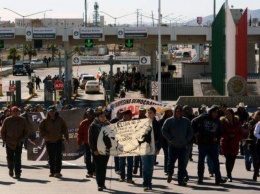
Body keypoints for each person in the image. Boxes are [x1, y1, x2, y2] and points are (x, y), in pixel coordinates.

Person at [192, 105, 227, 185]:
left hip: (213, 144)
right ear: (210, 112)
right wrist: (195, 133)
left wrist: (217, 138)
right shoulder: (203, 117)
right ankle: (200, 178)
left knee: (215, 161)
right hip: (203, 143)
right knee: (201, 162)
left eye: (216, 112)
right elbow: (193, 122)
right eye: (214, 112)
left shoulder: (218, 121)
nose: (215, 114)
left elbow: (220, 132)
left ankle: (218, 178)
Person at [162, 105, 193, 186]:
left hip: (183, 146)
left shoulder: (186, 121)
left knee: (182, 165)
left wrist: (187, 140)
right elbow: (164, 130)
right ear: (174, 112)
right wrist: (170, 138)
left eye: (180, 111)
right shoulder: (169, 120)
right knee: (171, 163)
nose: (178, 113)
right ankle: (170, 174)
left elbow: (190, 132)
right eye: (177, 111)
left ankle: (180, 180)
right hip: (172, 146)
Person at [39, 105, 69, 178]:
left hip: (58, 140)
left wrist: (66, 137)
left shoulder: (60, 119)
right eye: (50, 112)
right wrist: (44, 136)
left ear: (56, 112)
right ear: (48, 112)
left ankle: (58, 172)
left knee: (58, 156)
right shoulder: (44, 120)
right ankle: (52, 172)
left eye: (53, 111)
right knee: (51, 157)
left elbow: (64, 128)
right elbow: (40, 129)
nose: (52, 113)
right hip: (49, 141)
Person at [1, 106, 28, 178]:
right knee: (10, 157)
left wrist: (23, 139)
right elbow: (3, 131)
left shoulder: (23, 120)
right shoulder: (7, 120)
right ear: (11, 112)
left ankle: (17, 172)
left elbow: (26, 131)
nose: (15, 113)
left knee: (18, 158)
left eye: (17, 111)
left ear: (19, 112)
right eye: (14, 111)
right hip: (9, 142)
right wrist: (4, 139)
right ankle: (10, 169)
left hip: (19, 142)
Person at [89, 109, 110, 191]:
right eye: (101, 116)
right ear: (97, 117)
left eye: (104, 116)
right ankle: (100, 184)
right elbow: (91, 139)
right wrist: (94, 149)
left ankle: (103, 183)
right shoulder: (93, 126)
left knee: (104, 167)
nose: (103, 117)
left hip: (106, 149)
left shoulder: (108, 124)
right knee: (98, 167)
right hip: (97, 150)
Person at [220, 109, 243, 182]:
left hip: (235, 143)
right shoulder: (223, 122)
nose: (227, 115)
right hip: (226, 143)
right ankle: (229, 175)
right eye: (226, 114)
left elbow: (241, 133)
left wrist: (235, 138)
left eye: (229, 114)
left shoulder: (237, 122)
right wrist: (228, 136)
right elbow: (221, 132)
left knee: (233, 158)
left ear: (232, 114)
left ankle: (230, 172)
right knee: (228, 158)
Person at [142, 107, 161, 191]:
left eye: (151, 113)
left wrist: (158, 148)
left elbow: (160, 137)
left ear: (154, 114)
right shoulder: (143, 123)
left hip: (153, 147)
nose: (149, 114)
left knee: (150, 167)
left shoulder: (157, 124)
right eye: (148, 113)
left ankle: (149, 182)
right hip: (144, 147)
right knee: (145, 166)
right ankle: (145, 183)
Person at [77, 108, 95, 178]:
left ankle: (94, 171)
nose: (89, 116)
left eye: (90, 114)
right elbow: (79, 133)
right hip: (86, 143)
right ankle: (89, 172)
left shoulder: (96, 122)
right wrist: (79, 142)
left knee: (95, 158)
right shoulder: (83, 123)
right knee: (87, 158)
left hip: (95, 144)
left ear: (93, 115)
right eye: (88, 115)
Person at [119, 109, 135, 184]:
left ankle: (129, 178)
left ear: (130, 115)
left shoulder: (134, 123)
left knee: (130, 163)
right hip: (122, 146)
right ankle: (122, 177)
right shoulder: (120, 123)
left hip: (131, 146)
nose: (124, 116)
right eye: (124, 115)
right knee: (122, 162)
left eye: (126, 115)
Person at [244, 111, 260, 181]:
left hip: (256, 142)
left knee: (256, 158)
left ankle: (256, 172)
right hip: (253, 142)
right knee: (255, 158)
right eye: (257, 116)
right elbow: (253, 131)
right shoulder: (252, 122)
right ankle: (255, 173)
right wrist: (257, 124)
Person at [133, 105, 147, 177]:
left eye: (143, 111)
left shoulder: (148, 120)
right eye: (140, 111)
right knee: (136, 156)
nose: (141, 112)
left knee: (142, 158)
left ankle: (142, 172)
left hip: (144, 141)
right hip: (136, 140)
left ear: (145, 112)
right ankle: (135, 168)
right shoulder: (134, 119)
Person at [159, 106, 173, 175]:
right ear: (166, 112)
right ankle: (166, 169)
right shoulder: (162, 120)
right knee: (167, 154)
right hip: (164, 140)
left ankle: (169, 168)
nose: (170, 113)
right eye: (168, 112)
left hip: (172, 140)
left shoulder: (174, 120)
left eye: (171, 112)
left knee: (171, 155)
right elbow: (160, 131)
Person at [110, 109, 124, 174]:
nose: (121, 115)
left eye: (122, 114)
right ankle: (117, 169)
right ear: (117, 114)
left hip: (122, 141)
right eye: (120, 113)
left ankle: (121, 169)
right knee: (116, 156)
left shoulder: (124, 121)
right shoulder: (113, 121)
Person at [253, 117, 260, 181]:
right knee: (259, 160)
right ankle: (255, 174)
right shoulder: (259, 124)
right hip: (259, 143)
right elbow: (255, 133)